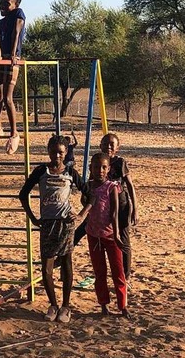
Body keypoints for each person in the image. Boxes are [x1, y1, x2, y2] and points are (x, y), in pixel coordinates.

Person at [19, 135, 91, 323]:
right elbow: (23, 194)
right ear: (48, 151)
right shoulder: (41, 171)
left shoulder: (70, 172)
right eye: (53, 151)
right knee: (47, 266)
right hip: (47, 224)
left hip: (66, 224)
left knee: (66, 263)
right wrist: (33, 218)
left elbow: (90, 195)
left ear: (66, 153)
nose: (57, 155)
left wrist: (82, 215)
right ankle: (53, 305)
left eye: (60, 152)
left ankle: (65, 307)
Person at [73, 133, 138, 281]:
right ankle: (62, 261)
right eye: (105, 144)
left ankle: (125, 276)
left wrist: (135, 209)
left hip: (120, 207)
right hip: (99, 209)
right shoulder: (98, 162)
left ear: (117, 148)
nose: (108, 147)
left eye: (111, 145)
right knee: (80, 232)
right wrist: (85, 202)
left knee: (123, 240)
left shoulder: (120, 163)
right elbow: (89, 186)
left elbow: (130, 185)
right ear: (100, 145)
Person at [85, 152, 129, 317]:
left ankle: (123, 306)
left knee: (118, 272)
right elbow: (85, 204)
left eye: (103, 167)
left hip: (110, 235)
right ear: (91, 168)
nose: (100, 171)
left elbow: (114, 213)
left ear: (108, 169)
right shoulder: (88, 186)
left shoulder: (112, 187)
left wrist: (117, 234)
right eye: (96, 167)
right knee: (99, 272)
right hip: (93, 235)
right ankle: (104, 304)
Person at [0, 0, 26, 155]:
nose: (3, 6)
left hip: (11, 59)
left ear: (16, 4)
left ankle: (14, 133)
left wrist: (12, 54)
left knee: (7, 97)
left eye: (7, 4)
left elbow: (16, 32)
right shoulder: (1, 21)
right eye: (2, 3)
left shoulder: (18, 15)